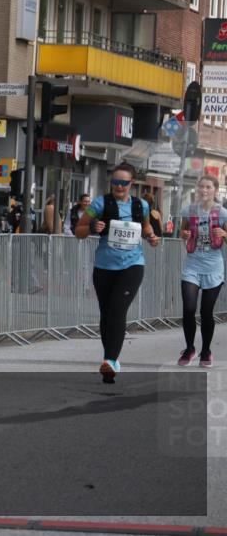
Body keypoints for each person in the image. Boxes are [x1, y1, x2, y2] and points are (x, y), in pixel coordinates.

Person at [75, 163, 160, 384]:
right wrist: (93, 227)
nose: (119, 186)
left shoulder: (140, 205)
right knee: (106, 314)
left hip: (132, 265)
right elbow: (79, 230)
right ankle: (110, 362)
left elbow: (146, 227)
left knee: (117, 310)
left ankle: (110, 359)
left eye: (123, 183)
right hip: (104, 267)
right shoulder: (100, 204)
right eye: (115, 182)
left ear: (132, 183)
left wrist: (151, 237)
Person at [177, 174, 223, 368]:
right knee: (188, 309)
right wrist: (184, 234)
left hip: (213, 267)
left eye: (208, 187)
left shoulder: (222, 213)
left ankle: (206, 351)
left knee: (206, 312)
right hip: (192, 265)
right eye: (201, 187)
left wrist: (224, 233)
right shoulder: (189, 210)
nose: (204, 190)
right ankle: (189, 349)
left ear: (215, 190)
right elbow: (183, 232)